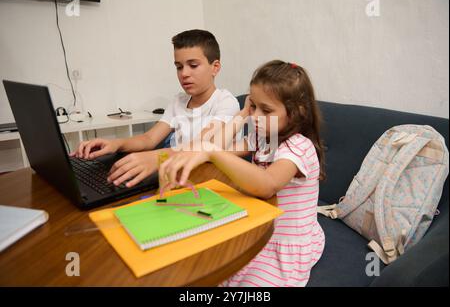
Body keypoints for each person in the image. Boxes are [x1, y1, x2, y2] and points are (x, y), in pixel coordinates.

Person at [159, 60, 327, 287]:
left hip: (286, 244)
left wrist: (212, 151)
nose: (256, 116)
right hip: (261, 229)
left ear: (296, 113)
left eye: (266, 110)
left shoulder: (298, 147)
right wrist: (242, 114)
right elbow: (218, 147)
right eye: (254, 106)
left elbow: (267, 184)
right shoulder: (263, 137)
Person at [70, 29, 240, 188]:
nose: (184, 74)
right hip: (179, 175)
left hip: (214, 179)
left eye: (193, 65)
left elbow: (202, 145)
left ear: (215, 67)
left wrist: (157, 157)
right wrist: (116, 144)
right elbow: (150, 138)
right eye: (179, 67)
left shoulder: (225, 102)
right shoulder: (178, 101)